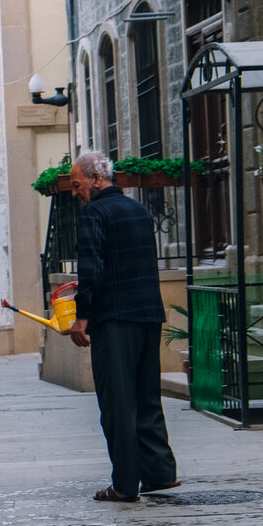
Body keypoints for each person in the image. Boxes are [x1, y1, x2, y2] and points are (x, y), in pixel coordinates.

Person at [68, 151, 181, 503]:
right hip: (149, 316)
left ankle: (125, 484)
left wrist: (81, 316)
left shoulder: (94, 214)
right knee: (147, 397)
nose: (74, 192)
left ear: (96, 180)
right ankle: (160, 473)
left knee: (117, 401)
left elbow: (91, 270)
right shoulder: (139, 211)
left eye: (76, 184)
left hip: (115, 320)